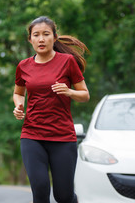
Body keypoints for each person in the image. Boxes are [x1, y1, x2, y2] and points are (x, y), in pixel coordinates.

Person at [13, 16, 90, 203]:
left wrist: (69, 91)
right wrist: (18, 105)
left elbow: (85, 95)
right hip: (32, 135)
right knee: (39, 189)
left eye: (46, 34)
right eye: (36, 35)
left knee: (63, 196)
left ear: (54, 38)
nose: (41, 39)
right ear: (30, 39)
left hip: (62, 136)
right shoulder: (24, 66)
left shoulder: (68, 61)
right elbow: (18, 93)